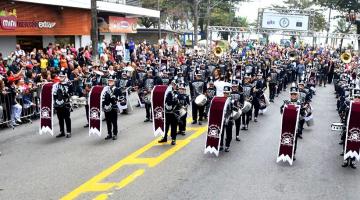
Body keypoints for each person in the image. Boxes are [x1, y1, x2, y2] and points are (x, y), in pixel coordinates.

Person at [280, 86, 303, 161]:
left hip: (296, 124)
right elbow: (281, 111)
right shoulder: (286, 102)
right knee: (286, 137)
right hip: (287, 124)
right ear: (290, 95)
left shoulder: (300, 103)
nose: (293, 95)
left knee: (294, 139)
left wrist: (303, 109)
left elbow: (303, 114)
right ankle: (285, 151)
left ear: (297, 95)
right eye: (292, 94)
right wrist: (283, 107)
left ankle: (293, 153)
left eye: (295, 94)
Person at [158, 80, 179, 145]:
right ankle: (164, 137)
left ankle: (173, 139)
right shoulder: (168, 92)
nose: (173, 85)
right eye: (172, 84)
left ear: (176, 85)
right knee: (166, 126)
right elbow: (167, 102)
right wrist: (174, 102)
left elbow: (180, 102)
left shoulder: (178, 93)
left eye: (174, 84)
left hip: (175, 112)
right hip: (167, 112)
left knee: (174, 126)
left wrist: (174, 102)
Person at [54, 74, 73, 138]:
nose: (61, 77)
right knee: (60, 118)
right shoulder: (57, 84)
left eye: (62, 76)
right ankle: (62, 131)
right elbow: (54, 93)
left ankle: (68, 132)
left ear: (65, 76)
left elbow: (71, 92)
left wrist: (66, 94)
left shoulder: (69, 83)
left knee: (67, 118)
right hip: (58, 103)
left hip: (66, 103)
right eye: (60, 76)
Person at [220, 86, 234, 152]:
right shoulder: (220, 99)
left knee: (229, 134)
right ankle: (221, 145)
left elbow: (235, 109)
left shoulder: (232, 100)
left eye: (227, 93)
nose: (225, 94)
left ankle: (227, 146)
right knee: (221, 133)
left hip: (229, 119)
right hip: (222, 119)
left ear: (229, 93)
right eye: (225, 92)